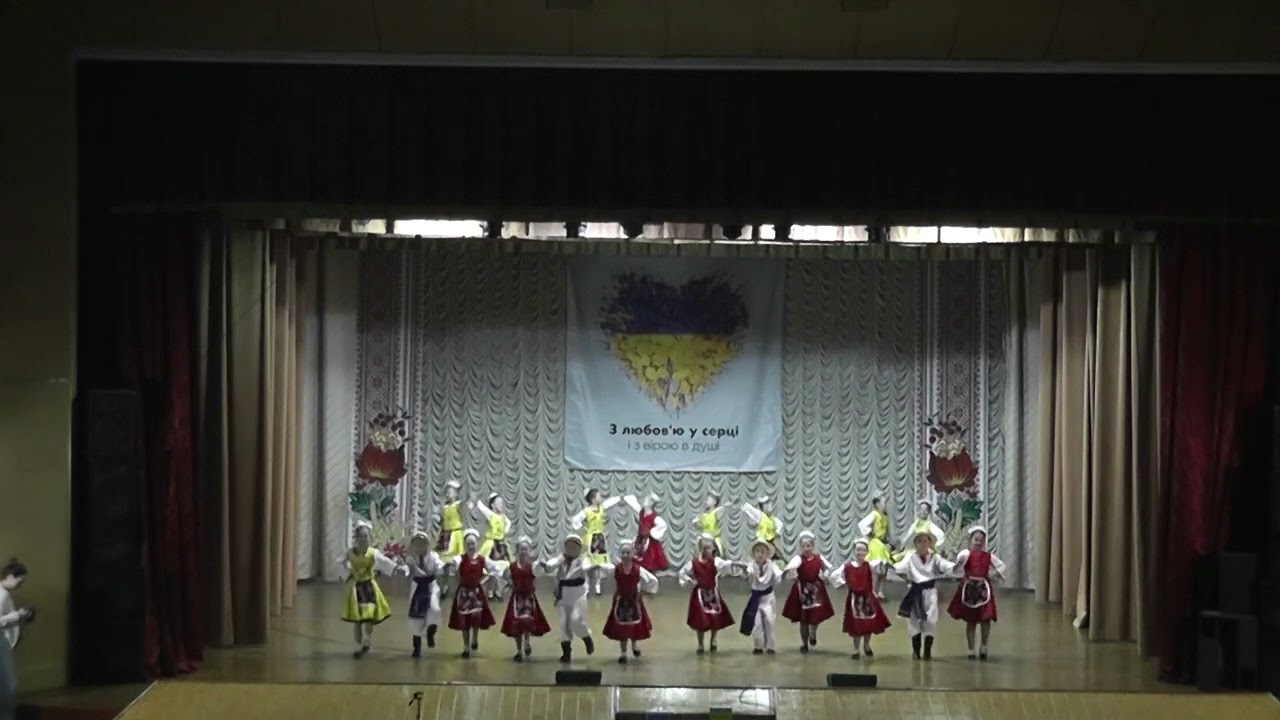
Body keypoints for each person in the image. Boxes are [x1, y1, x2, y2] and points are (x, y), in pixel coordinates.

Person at [890, 529, 956, 660]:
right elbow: (899, 568)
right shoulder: (910, 557)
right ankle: (916, 650)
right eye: (919, 541)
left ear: (930, 543)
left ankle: (927, 650)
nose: (922, 544)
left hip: (930, 592)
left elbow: (947, 566)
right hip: (915, 592)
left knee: (931, 620)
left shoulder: (935, 558)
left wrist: (957, 562)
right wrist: (889, 561)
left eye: (925, 541)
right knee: (914, 620)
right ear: (915, 544)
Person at [339, 521, 398, 658]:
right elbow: (340, 562)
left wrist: (396, 567)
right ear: (356, 537)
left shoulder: (373, 553)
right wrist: (347, 574)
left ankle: (367, 640)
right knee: (357, 619)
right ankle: (357, 646)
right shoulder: (350, 553)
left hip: (369, 587)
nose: (363, 539)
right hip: (356, 588)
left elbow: (385, 562)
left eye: (366, 536)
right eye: (361, 536)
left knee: (369, 617)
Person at [946, 525, 1006, 660]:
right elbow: (956, 569)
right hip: (969, 590)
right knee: (971, 620)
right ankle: (971, 648)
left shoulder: (988, 556)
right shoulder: (965, 555)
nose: (978, 543)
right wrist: (957, 563)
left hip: (983, 590)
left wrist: (994, 573)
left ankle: (984, 646)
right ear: (970, 540)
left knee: (986, 619)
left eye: (981, 540)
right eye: (976, 540)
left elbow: (1002, 565)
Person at [538, 534, 597, 663]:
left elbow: (587, 567)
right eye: (569, 546)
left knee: (576, 620)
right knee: (564, 624)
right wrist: (546, 565)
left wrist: (591, 569)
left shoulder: (583, 560)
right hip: (564, 594)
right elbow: (552, 565)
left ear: (579, 548)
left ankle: (586, 637)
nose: (571, 549)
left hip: (578, 594)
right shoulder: (562, 559)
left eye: (574, 546)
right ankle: (566, 652)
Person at [599, 540, 659, 664]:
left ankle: (634, 645)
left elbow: (652, 580)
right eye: (623, 553)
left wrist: (648, 592)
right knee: (622, 628)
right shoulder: (616, 569)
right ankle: (623, 653)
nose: (625, 555)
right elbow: (601, 569)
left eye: (628, 552)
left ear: (633, 554)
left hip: (634, 601)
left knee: (634, 626)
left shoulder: (638, 569)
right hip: (621, 601)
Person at [829, 538, 891, 659]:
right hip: (854, 599)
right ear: (854, 551)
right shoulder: (847, 567)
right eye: (858, 550)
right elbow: (834, 576)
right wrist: (843, 583)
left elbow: (882, 567)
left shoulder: (870, 565)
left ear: (867, 552)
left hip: (868, 598)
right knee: (856, 625)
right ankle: (856, 649)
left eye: (863, 550)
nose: (860, 552)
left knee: (868, 624)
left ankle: (867, 645)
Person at [447, 529, 502, 658]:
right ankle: (466, 646)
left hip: (477, 593)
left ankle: (475, 638)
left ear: (477, 543)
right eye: (468, 544)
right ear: (465, 545)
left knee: (476, 618)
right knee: (464, 620)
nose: (471, 546)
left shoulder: (482, 559)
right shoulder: (460, 559)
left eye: (473, 543)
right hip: (463, 594)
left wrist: (485, 580)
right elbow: (453, 569)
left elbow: (495, 569)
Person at [678, 533, 736, 654]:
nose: (707, 550)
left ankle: (713, 639)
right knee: (700, 620)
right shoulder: (694, 562)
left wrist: (736, 565)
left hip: (712, 593)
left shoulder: (715, 561)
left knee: (715, 618)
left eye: (709, 548)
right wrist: (690, 580)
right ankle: (700, 644)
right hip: (699, 594)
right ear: (700, 548)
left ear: (712, 549)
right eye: (704, 548)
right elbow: (682, 572)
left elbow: (725, 565)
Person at [781, 530, 836, 653]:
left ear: (813, 546)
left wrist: (826, 576)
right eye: (803, 546)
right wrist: (790, 573)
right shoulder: (798, 558)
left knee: (816, 616)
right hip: (802, 591)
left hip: (816, 589)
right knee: (804, 619)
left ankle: (813, 631)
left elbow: (827, 568)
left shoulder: (818, 558)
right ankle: (804, 643)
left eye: (808, 546)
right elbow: (791, 567)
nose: (806, 549)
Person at [499, 536, 551, 662]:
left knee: (527, 622)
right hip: (517, 598)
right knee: (517, 624)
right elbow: (506, 577)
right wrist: (510, 585)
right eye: (521, 549)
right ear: (517, 551)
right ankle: (519, 650)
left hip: (528, 598)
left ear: (529, 551)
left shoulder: (532, 566)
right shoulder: (512, 567)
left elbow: (538, 576)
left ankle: (527, 642)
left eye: (525, 549)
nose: (523, 552)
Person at [734, 539, 784, 654]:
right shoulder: (751, 565)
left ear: (767, 554)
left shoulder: (772, 566)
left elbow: (778, 575)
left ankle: (770, 646)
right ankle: (758, 646)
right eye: (757, 551)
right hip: (756, 597)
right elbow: (748, 573)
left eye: (762, 551)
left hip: (768, 597)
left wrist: (781, 574)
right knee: (756, 623)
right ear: (753, 554)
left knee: (769, 621)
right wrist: (745, 571)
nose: (760, 554)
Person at [571, 489, 621, 595]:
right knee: (587, 564)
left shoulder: (601, 508)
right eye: (599, 496)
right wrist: (582, 529)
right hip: (590, 539)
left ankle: (598, 585)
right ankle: (587, 586)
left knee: (599, 563)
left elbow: (609, 503)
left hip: (599, 539)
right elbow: (575, 520)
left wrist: (619, 498)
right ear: (593, 499)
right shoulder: (586, 511)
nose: (601, 498)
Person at [0, 558, 33, 720]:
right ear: (9, 577)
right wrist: (16, 616)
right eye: (19, 582)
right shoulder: (2, 595)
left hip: (3, 643)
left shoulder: (4, 594)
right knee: (8, 684)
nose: (20, 586)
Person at [404, 531, 442, 657]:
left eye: (422, 543)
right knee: (416, 619)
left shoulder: (433, 556)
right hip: (417, 587)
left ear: (427, 544)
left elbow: (439, 569)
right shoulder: (410, 558)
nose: (419, 546)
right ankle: (417, 647)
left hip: (431, 585)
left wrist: (445, 569)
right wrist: (405, 570)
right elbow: (408, 573)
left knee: (434, 610)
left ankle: (431, 633)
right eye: (417, 543)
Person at [472, 493, 512, 600]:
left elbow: (509, 523)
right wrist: (475, 499)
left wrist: (504, 532)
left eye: (501, 502)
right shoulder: (490, 514)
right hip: (491, 545)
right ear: (493, 505)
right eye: (498, 502)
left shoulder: (503, 516)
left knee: (502, 569)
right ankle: (489, 591)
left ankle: (498, 591)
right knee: (490, 570)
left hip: (501, 545)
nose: (501, 505)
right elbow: (481, 507)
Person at [856, 496, 894, 598]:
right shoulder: (874, 514)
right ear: (877, 504)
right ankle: (873, 591)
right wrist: (869, 533)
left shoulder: (885, 516)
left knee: (884, 569)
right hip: (876, 544)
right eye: (883, 502)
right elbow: (862, 525)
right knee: (876, 570)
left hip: (884, 544)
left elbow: (887, 532)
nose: (885, 505)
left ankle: (880, 591)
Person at [623, 494, 670, 573]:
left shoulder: (654, 517)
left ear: (650, 503)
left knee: (649, 563)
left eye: (646, 500)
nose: (644, 501)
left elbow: (663, 525)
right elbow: (635, 505)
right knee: (639, 562)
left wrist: (651, 532)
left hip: (650, 544)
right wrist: (627, 498)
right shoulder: (642, 512)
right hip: (640, 541)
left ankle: (651, 578)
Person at [434, 481, 466, 597]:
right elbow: (442, 522)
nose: (448, 494)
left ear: (456, 494)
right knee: (445, 564)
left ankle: (461, 587)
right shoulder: (444, 507)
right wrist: (437, 519)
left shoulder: (458, 505)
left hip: (456, 536)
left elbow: (466, 507)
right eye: (447, 492)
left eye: (451, 492)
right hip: (445, 535)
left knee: (458, 563)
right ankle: (445, 587)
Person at [739, 495, 784, 562]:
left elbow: (779, 529)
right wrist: (743, 504)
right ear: (762, 507)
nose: (768, 506)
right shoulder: (761, 516)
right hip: (761, 542)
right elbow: (751, 510)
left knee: (779, 559)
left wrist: (777, 533)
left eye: (769, 504)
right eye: (766, 505)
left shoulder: (774, 520)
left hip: (771, 543)